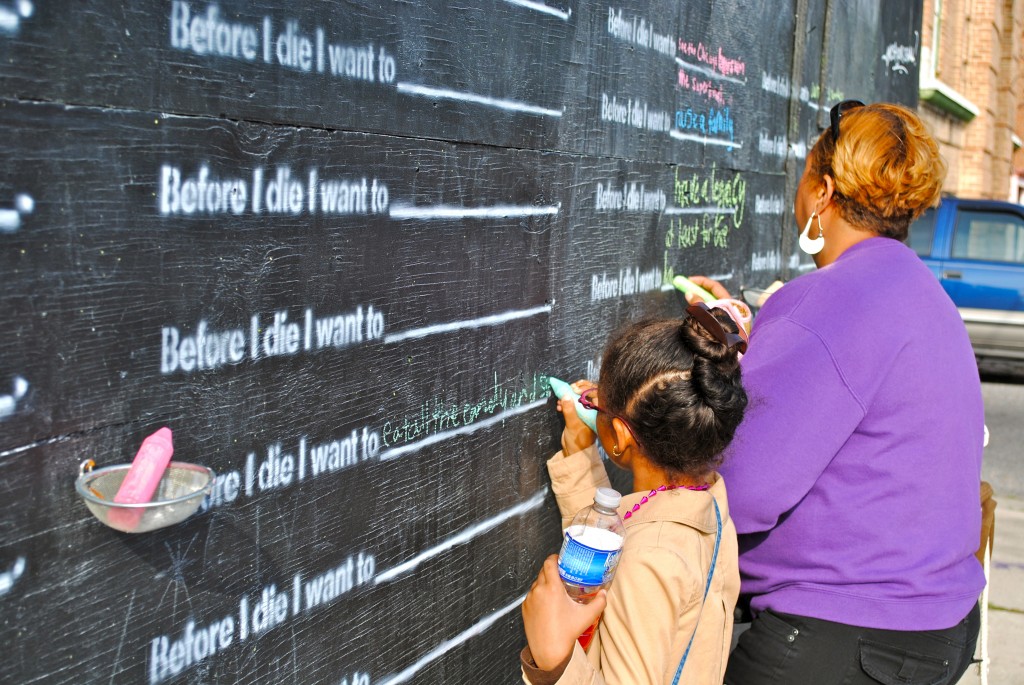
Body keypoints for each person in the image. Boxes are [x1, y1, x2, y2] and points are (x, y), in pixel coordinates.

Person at [686, 101, 985, 685]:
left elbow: (740, 489)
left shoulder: (826, 301)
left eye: (801, 178)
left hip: (840, 638)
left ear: (822, 193)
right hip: (938, 627)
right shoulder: (923, 293)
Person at [520, 307, 749, 685]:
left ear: (620, 437)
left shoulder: (648, 559)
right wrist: (580, 455)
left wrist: (553, 659)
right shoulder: (708, 499)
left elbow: (641, 555)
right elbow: (620, 535)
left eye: (596, 405)